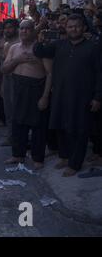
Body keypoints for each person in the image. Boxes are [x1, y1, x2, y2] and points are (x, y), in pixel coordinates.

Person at [34, 14, 102, 177]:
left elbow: (100, 73)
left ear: (84, 28)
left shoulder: (93, 47)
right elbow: (39, 51)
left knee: (79, 130)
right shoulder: (59, 44)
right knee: (60, 126)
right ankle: (64, 157)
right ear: (66, 28)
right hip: (60, 94)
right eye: (70, 26)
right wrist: (40, 37)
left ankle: (75, 163)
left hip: (82, 97)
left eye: (77, 26)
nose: (73, 29)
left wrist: (98, 97)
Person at [2, 20, 52, 169]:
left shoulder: (40, 48)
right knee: (18, 123)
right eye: (22, 29)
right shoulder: (13, 48)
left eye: (28, 29)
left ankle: (38, 157)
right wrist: (18, 60)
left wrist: (45, 96)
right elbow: (4, 69)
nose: (24, 31)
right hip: (18, 87)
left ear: (33, 31)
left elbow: (50, 73)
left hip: (36, 88)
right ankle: (18, 155)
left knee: (38, 125)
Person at [0, 19, 20, 147]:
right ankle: (11, 137)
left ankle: (21, 138)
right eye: (5, 28)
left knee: (19, 110)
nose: (7, 30)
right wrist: (2, 83)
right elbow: (3, 66)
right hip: (7, 80)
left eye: (10, 27)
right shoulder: (6, 44)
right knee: (9, 110)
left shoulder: (21, 42)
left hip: (19, 80)